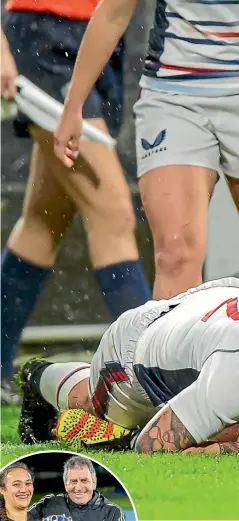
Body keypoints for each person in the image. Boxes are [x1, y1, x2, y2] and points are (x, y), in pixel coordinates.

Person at [54, 0, 239, 300]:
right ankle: (169, 348)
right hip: (172, 98)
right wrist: (73, 104)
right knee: (174, 256)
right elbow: (113, 12)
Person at [1, 0, 151, 400]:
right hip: (45, 36)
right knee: (113, 212)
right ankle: (149, 375)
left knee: (43, 221)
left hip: (103, 38)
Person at [18, 275, 239, 453]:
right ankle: (38, 375)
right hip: (131, 362)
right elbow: (149, 445)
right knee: (92, 402)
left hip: (209, 319)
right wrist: (237, 448)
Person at [28, 455, 125, 521]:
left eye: (84, 480)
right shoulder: (48, 504)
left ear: (94, 483)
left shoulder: (112, 512)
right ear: (66, 485)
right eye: (73, 481)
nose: (78, 488)